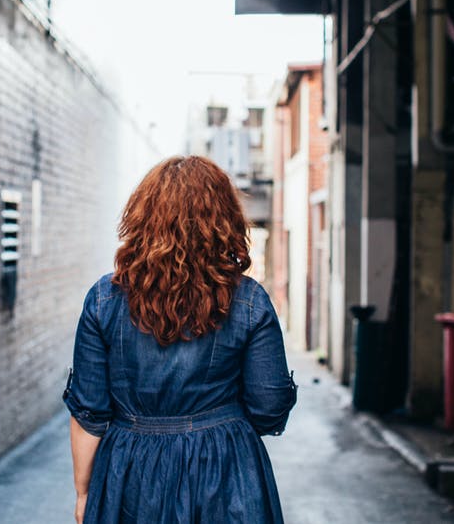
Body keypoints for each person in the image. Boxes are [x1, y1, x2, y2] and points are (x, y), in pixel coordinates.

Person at [63, 155, 298, 524]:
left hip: (131, 478)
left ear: (142, 219)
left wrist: (84, 493)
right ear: (224, 220)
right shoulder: (250, 301)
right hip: (227, 475)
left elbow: (89, 412)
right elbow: (269, 408)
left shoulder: (103, 300)